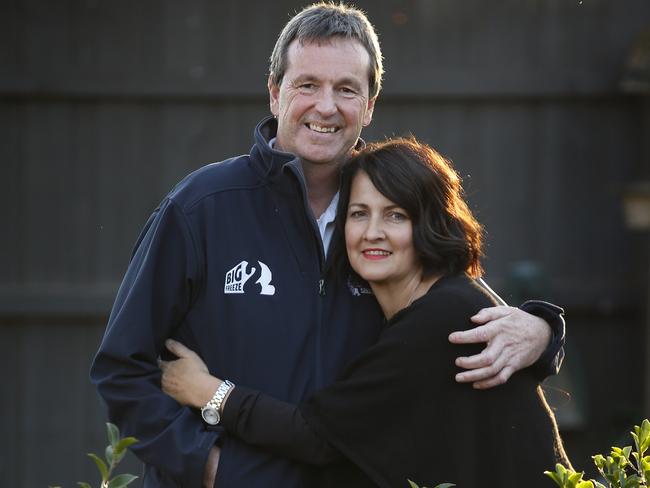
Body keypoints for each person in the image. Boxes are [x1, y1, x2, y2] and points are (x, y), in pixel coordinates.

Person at [90, 3, 565, 487]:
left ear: (369, 105)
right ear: (275, 94)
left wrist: (543, 333)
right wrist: (210, 468)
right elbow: (122, 369)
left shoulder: (389, 218)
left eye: (345, 89)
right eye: (308, 85)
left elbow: (458, 317)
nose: (326, 106)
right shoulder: (201, 207)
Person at [159, 137, 572, 487]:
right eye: (359, 214)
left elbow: (317, 437)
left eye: (395, 215)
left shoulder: (443, 317)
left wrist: (208, 392)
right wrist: (546, 329)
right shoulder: (436, 300)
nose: (373, 231)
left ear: (428, 223)